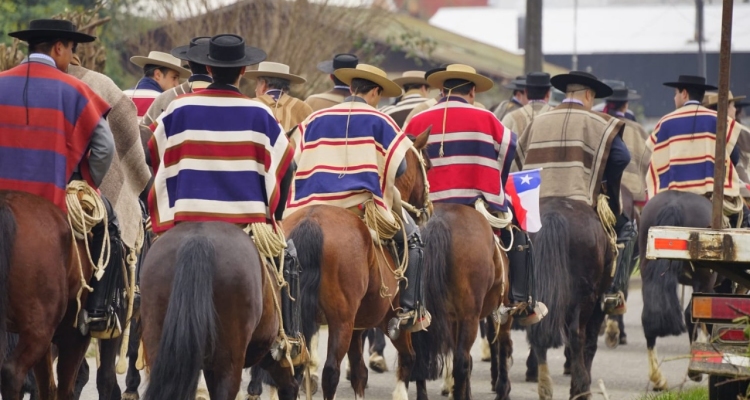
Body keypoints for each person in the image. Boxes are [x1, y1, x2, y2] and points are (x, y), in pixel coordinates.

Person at [286, 63, 430, 335]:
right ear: (374, 92)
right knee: (413, 239)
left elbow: (292, 162)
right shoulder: (380, 120)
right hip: (359, 206)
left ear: (351, 87)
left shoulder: (314, 119)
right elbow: (401, 168)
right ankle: (410, 309)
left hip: (306, 208)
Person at [403, 64, 545, 325]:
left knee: (403, 245)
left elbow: (406, 162)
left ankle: (406, 304)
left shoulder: (417, 120)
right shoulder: (485, 117)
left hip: (428, 206)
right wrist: (495, 185)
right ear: (471, 91)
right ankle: (521, 299)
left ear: (442, 89)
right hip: (475, 202)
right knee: (518, 234)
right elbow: (507, 149)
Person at [0, 19, 115, 329]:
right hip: (52, 201)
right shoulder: (76, 89)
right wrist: (86, 183)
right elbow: (105, 147)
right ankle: (97, 309)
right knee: (109, 221)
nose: (71, 59)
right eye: (71, 50)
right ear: (58, 48)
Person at [148, 34, 292, 233]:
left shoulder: (179, 107)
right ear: (243, 70)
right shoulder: (260, 113)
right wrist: (277, 217)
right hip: (246, 224)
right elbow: (288, 164)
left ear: (208, 68)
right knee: (280, 262)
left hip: (185, 218)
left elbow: (150, 152)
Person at [519, 71, 631, 314]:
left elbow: (518, 161)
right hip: (580, 199)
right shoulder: (600, 122)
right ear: (589, 95)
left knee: (514, 242)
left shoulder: (538, 121)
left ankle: (516, 296)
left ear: (567, 93)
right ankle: (614, 293)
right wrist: (604, 188)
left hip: (538, 204)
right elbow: (623, 157)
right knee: (626, 231)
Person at [648, 75, 749, 227]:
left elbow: (656, 158)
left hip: (671, 193)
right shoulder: (719, 119)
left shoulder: (665, 121)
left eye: (675, 94)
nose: (674, 98)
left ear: (684, 94)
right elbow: (733, 157)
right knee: (744, 218)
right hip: (709, 195)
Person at [141, 37, 213, 129]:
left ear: (188, 62)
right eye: (174, 78)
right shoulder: (230, 102)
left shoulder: (164, 100)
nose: (176, 83)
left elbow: (144, 136)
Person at [604, 86, 651, 208]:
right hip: (633, 190)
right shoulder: (638, 129)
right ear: (625, 106)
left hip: (603, 190)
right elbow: (648, 159)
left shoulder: (602, 123)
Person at [501, 72, 553, 171]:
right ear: (548, 94)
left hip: (517, 183)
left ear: (526, 92)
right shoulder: (559, 117)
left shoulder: (511, 118)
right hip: (550, 181)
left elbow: (499, 151)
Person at [245, 61, 313, 138]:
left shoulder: (248, 105)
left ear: (263, 85)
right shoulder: (304, 109)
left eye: (257, 84)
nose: (255, 89)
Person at [123, 51, 190, 121]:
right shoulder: (168, 103)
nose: (177, 84)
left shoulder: (123, 96)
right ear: (158, 75)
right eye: (174, 77)